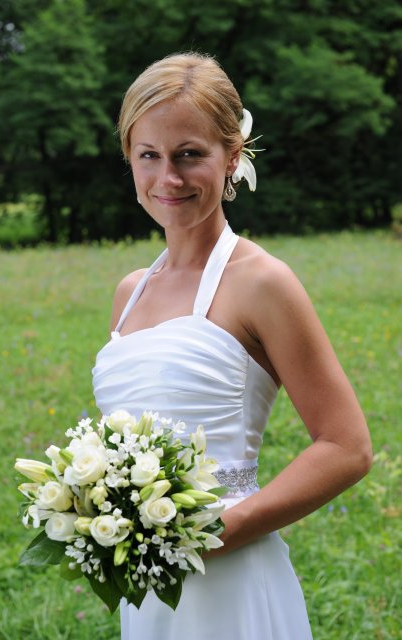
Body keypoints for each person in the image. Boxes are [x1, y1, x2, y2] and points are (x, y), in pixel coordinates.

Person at [92, 52, 372, 640]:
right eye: (149, 155)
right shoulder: (128, 293)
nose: (168, 178)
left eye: (189, 154)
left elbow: (346, 447)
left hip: (233, 579)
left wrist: (217, 534)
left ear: (232, 156)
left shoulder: (262, 282)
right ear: (129, 159)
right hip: (148, 587)